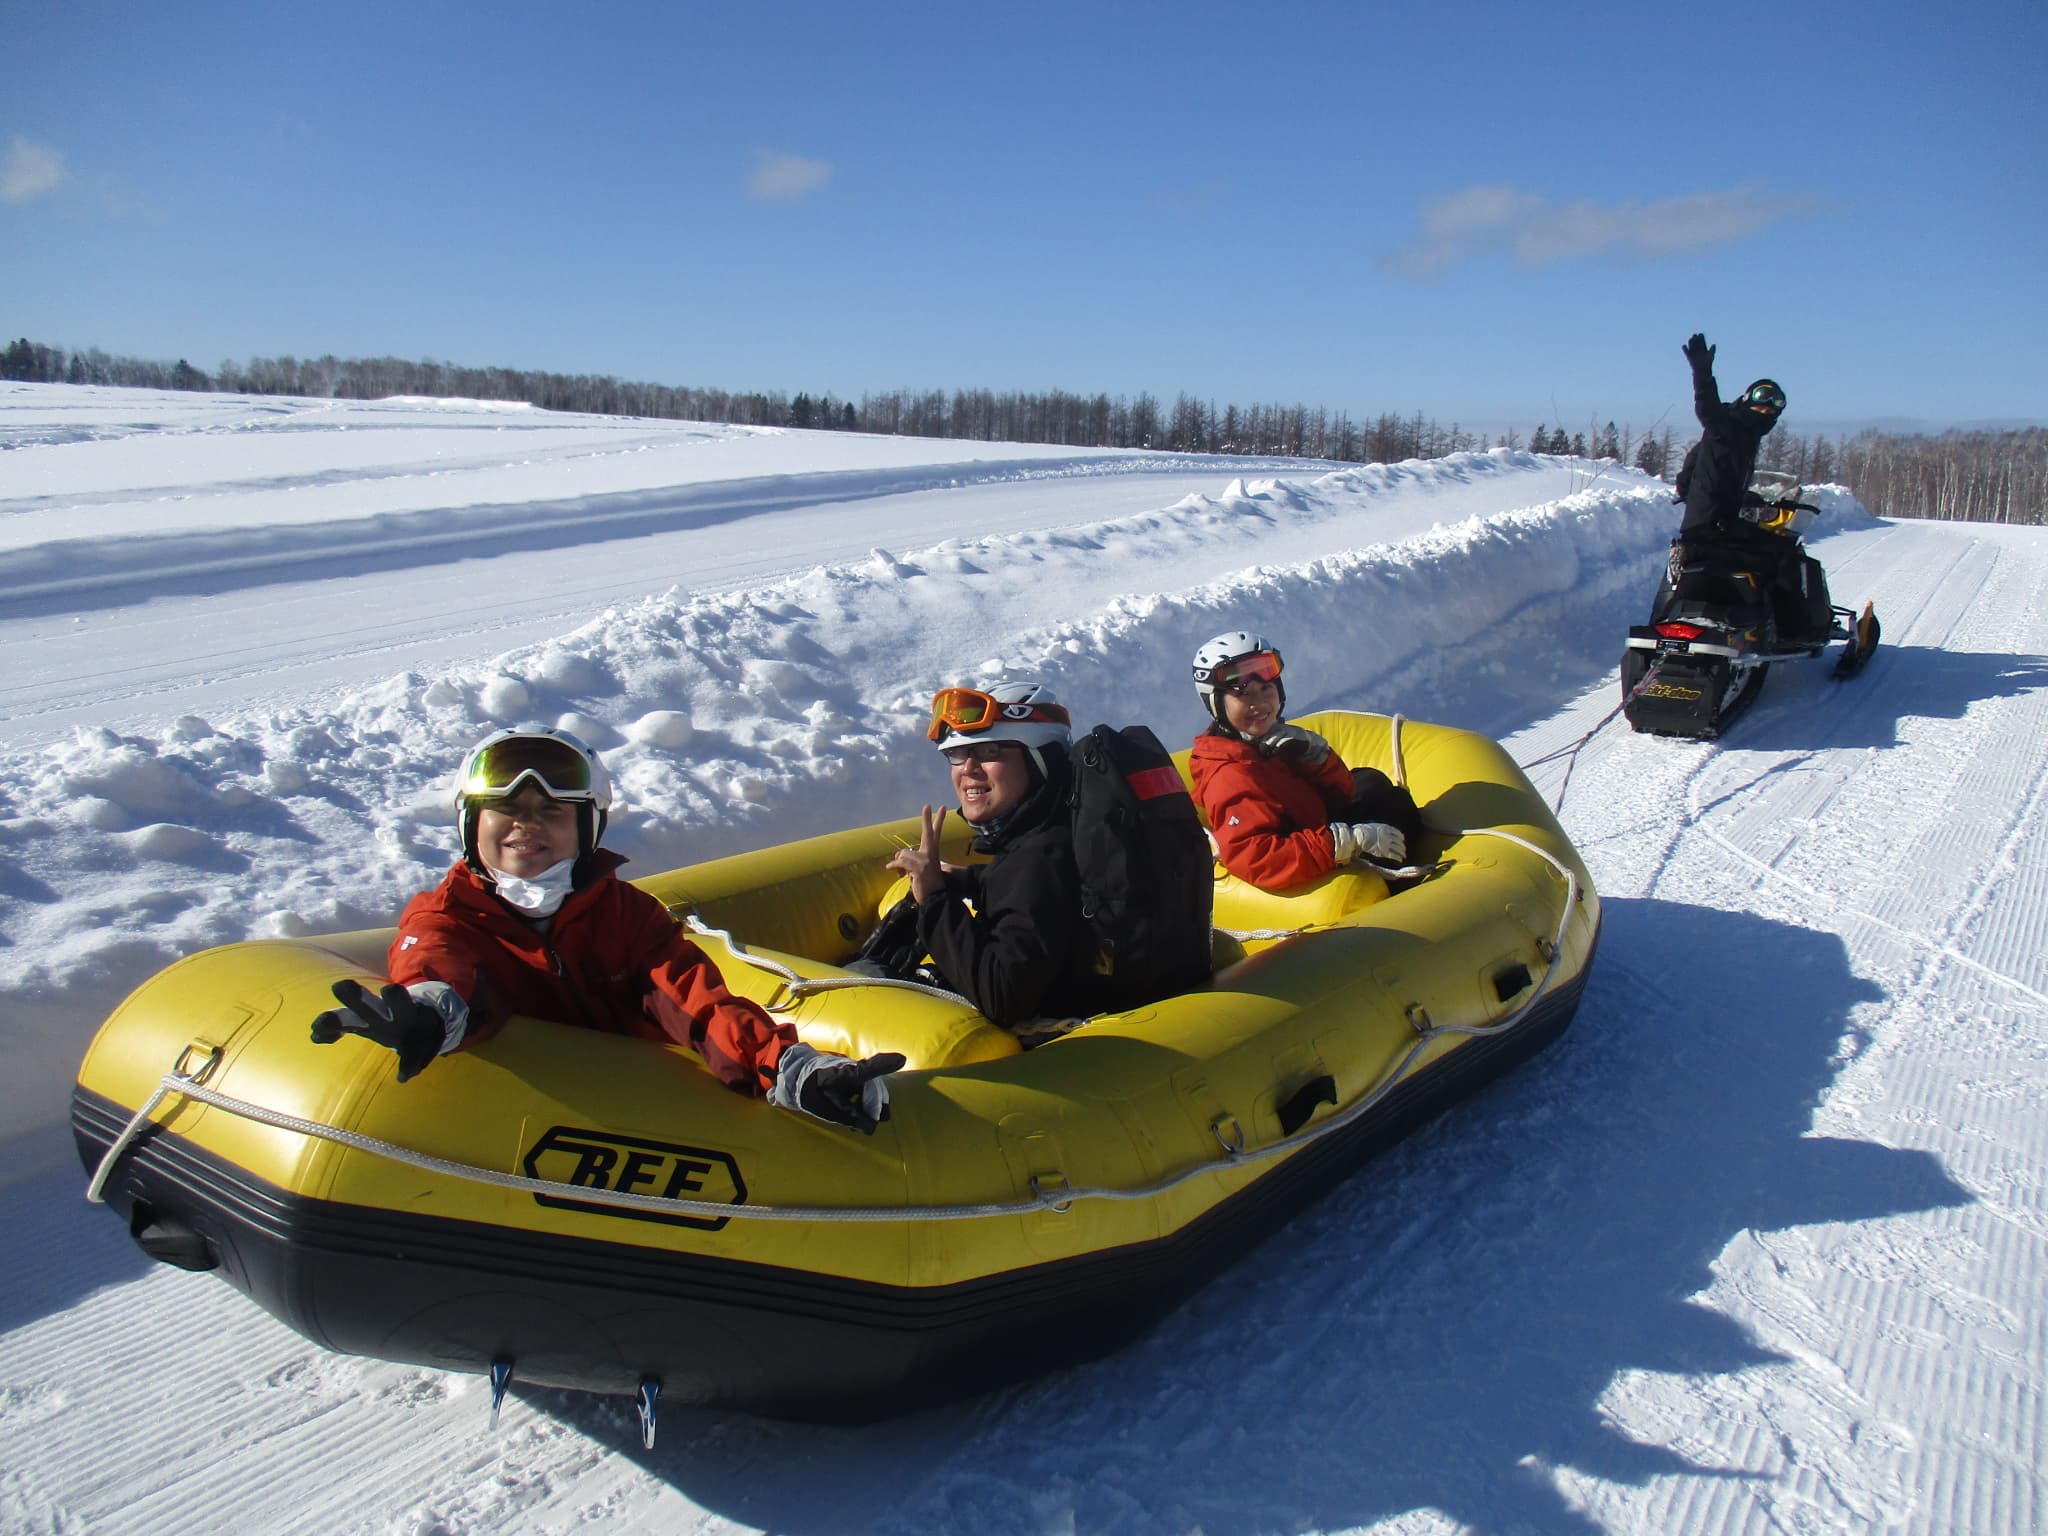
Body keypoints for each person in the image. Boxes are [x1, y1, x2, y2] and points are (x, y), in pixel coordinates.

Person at [310, 726, 901, 1133]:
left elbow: (699, 1006)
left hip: (643, 1122)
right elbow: (436, 966)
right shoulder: (447, 917)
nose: (526, 827)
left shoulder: (626, 919)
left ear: (586, 827)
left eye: (551, 812)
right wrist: (428, 1013)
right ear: (472, 824)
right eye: (507, 811)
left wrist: (790, 1068)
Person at [874, 681, 1105, 1033]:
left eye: (988, 750)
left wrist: (934, 901)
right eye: (957, 753)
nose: (967, 768)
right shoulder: (1064, 829)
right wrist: (968, 879)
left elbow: (1002, 997)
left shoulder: (1037, 859)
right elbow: (1033, 894)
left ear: (1039, 760)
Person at [1186, 631, 1423, 893]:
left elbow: (1344, 793)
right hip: (1304, 854)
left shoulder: (1265, 744)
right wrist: (1344, 842)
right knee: (1395, 809)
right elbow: (1256, 857)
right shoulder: (1231, 774)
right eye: (1243, 695)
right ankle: (1405, 892)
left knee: (1370, 782)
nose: (1259, 703)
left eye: (1266, 688)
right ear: (1217, 704)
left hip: (1308, 825)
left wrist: (1317, 757)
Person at [1669, 332, 1828, 642]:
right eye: (1761, 399)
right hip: (1714, 530)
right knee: (1784, 552)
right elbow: (1707, 409)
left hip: (1708, 526)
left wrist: (1693, 491)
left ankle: (1759, 620)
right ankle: (1794, 632)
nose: (1765, 409)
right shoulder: (1728, 425)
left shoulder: (1741, 435)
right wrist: (1702, 372)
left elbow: (1694, 465)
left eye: (1773, 406)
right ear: (1747, 398)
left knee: (1766, 549)